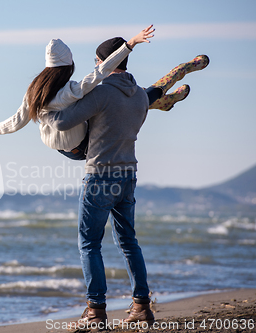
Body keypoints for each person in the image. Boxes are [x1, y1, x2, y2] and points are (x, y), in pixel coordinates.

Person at [39, 37, 209, 331]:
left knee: (89, 244)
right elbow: (142, 101)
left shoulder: (101, 93)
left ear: (102, 63)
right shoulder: (140, 96)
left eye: (97, 62)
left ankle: (95, 310)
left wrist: (43, 110)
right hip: (128, 174)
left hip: (100, 175)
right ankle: (141, 306)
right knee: (128, 242)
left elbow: (64, 123)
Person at [0, 25, 158, 159]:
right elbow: (101, 71)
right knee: (103, 100)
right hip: (81, 148)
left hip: (59, 147)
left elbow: (18, 120)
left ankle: (148, 97)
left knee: (94, 100)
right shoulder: (70, 91)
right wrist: (130, 43)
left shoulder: (34, 91)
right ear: (69, 65)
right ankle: (149, 95)